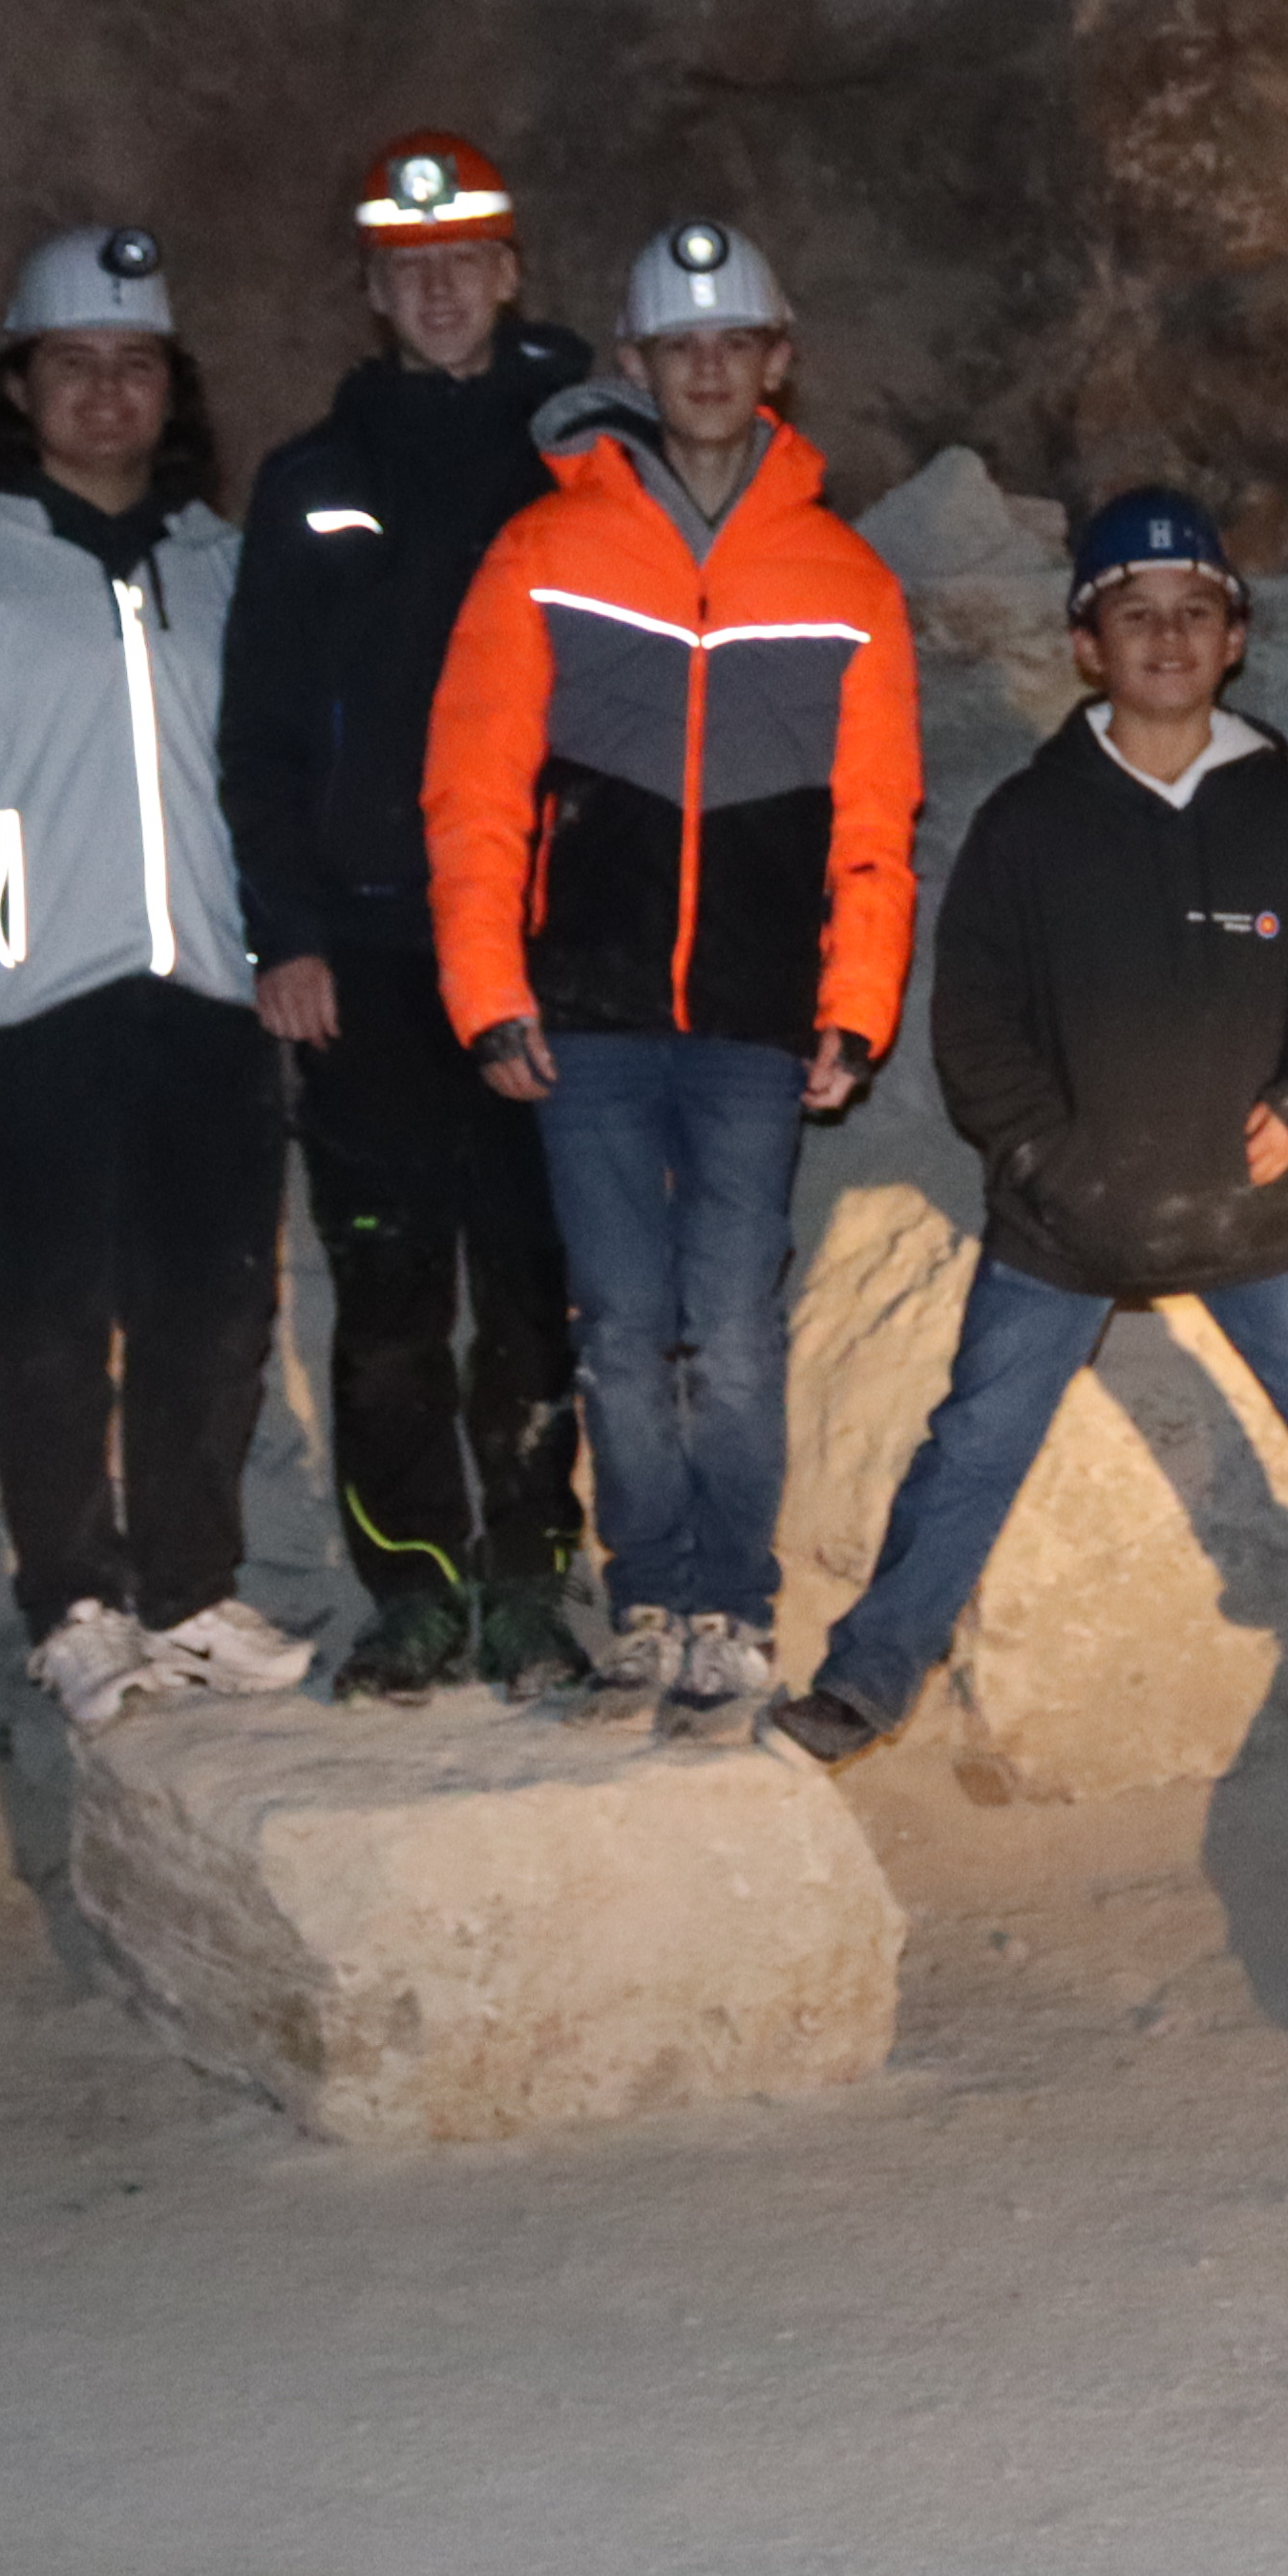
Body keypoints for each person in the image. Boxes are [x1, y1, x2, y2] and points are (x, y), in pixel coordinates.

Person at [763, 493, 1288, 1761]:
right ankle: (869, 1681)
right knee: (974, 1440)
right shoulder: (1031, 825)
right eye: (1134, 615)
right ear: (1088, 642)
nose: (1167, 638)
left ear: (1235, 636)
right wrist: (1044, 1154)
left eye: (1194, 613)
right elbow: (976, 1021)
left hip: (1253, 1212)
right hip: (1063, 1221)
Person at [423, 219, 921, 1734]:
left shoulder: (844, 577)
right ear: (635, 365)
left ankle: (735, 1607)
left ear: (775, 362)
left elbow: (876, 817)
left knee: (739, 1326)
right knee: (623, 1327)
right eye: (679, 348)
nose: (708, 371)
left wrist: (857, 1004)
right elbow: (476, 785)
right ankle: (648, 1598)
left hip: (757, 1024)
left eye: (736, 345)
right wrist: (483, 984)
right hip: (586, 1010)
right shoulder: (544, 551)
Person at [0, 224, 312, 1735]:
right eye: (75, 367)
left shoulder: (222, 565)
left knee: (214, 1310)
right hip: (33, 1004)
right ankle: (75, 1603)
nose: (107, 396)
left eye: (136, 367)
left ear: (172, 389)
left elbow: (275, 776)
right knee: (48, 1315)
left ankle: (187, 1586)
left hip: (208, 1001)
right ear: (20, 384)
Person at [217, 135, 595, 1698]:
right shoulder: (315, 482)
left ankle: (527, 1581)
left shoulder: (588, 459)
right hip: (368, 953)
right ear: (375, 293)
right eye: (408, 272)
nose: (440, 291)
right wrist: (284, 929)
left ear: (507, 272)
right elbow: (262, 727)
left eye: (466, 264)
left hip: (542, 942)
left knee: (528, 1285)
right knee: (388, 1293)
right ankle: (416, 1592)